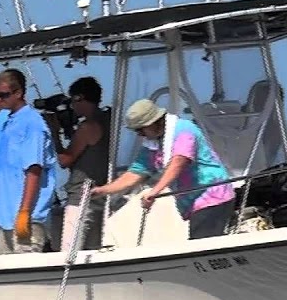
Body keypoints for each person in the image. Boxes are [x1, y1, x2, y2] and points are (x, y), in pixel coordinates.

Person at [89, 98, 237, 239]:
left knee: (202, 244)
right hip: (192, 203)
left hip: (213, 196)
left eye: (141, 129)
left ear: (154, 122)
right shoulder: (152, 144)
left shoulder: (184, 129)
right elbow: (135, 173)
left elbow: (179, 161)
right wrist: (102, 190)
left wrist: (155, 191)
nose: (139, 134)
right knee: (197, 240)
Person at [0, 69, 60, 254]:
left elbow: (33, 170)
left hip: (26, 218)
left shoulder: (32, 123)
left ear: (18, 93)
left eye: (4, 95)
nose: (0, 99)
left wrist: (24, 211)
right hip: (4, 217)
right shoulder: (6, 121)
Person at [48, 76, 111, 252]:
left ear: (79, 98)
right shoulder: (108, 120)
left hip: (81, 198)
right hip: (102, 194)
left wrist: (54, 134)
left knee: (70, 251)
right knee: (93, 250)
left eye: (72, 101)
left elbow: (65, 160)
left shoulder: (88, 127)